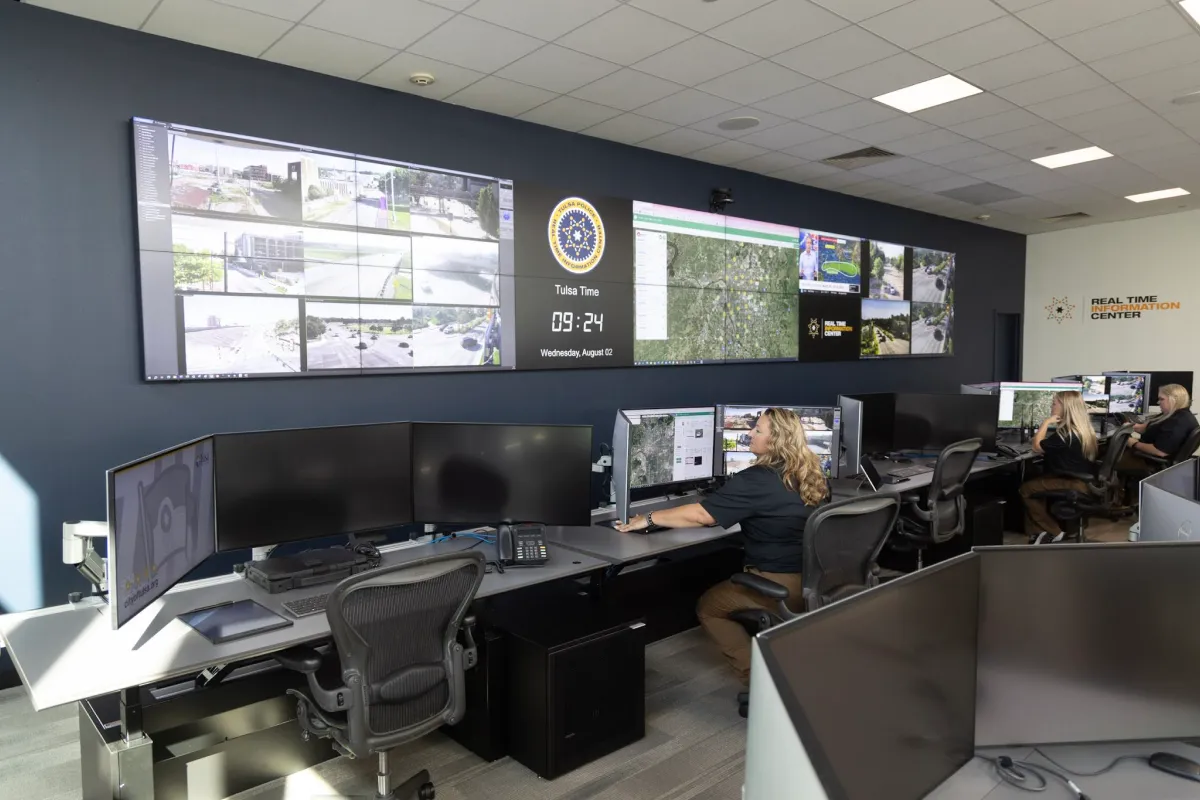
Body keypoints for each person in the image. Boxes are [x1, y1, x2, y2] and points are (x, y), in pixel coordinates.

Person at [615, 408, 830, 699]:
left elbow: (702, 516)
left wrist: (648, 518)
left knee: (709, 607)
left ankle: (764, 686)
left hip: (780, 585)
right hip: (816, 581)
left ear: (776, 440)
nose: (750, 433)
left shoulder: (756, 479)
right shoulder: (812, 474)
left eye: (758, 430)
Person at [1018, 391, 1098, 544]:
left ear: (1065, 407)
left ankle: (1054, 532)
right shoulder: (1083, 429)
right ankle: (1039, 533)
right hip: (1084, 480)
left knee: (1026, 489)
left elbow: (1036, 446)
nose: (1051, 406)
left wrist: (1046, 423)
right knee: (1036, 479)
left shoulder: (1065, 435)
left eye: (1054, 404)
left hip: (1072, 481)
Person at [1122, 384, 1198, 469]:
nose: (1158, 402)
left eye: (1162, 399)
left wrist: (1134, 443)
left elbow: (1160, 451)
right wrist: (1133, 427)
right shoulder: (1179, 415)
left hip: (1149, 462)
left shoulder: (1177, 422)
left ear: (1174, 400)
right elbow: (1151, 429)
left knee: (1111, 455)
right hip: (1150, 457)